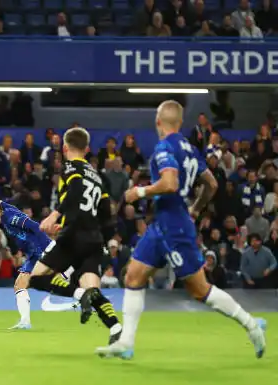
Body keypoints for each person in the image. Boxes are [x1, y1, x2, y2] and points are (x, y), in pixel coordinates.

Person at [95, 100, 266, 360]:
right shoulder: (189, 148)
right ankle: (126, 342)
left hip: (174, 227)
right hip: (163, 223)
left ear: (158, 122)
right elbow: (211, 183)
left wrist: (139, 191)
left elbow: (170, 183)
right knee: (133, 276)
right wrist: (195, 209)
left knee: (199, 290)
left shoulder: (164, 147)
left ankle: (251, 325)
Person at [29, 127, 122, 343]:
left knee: (36, 277)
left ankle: (79, 295)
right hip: (93, 239)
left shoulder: (71, 167)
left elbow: (76, 191)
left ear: (64, 147)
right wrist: (106, 241)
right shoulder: (97, 177)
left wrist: (55, 216)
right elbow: (107, 211)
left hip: (74, 237)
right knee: (92, 287)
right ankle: (116, 327)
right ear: (87, 149)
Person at [0, 195, 55, 329]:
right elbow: (0, 202)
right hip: (33, 254)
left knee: (58, 281)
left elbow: (34, 226)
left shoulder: (9, 218)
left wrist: (47, 249)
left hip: (42, 252)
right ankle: (25, 322)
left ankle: (86, 296)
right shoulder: (4, 211)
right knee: (20, 285)